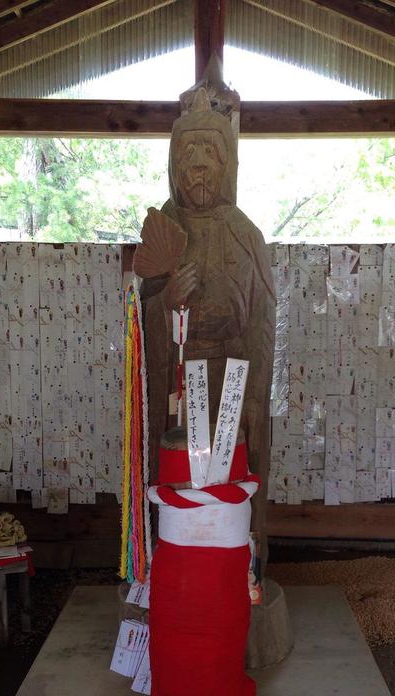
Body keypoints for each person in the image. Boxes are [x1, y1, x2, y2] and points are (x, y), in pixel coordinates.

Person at [140, 88, 275, 563]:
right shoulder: (164, 224)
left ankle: (240, 568)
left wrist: (253, 394)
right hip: (177, 380)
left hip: (230, 376)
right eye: (188, 152)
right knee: (179, 473)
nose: (198, 164)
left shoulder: (245, 234)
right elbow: (141, 321)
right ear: (173, 163)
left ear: (227, 164)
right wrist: (165, 304)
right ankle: (175, 561)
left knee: (232, 474)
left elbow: (263, 322)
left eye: (210, 152)